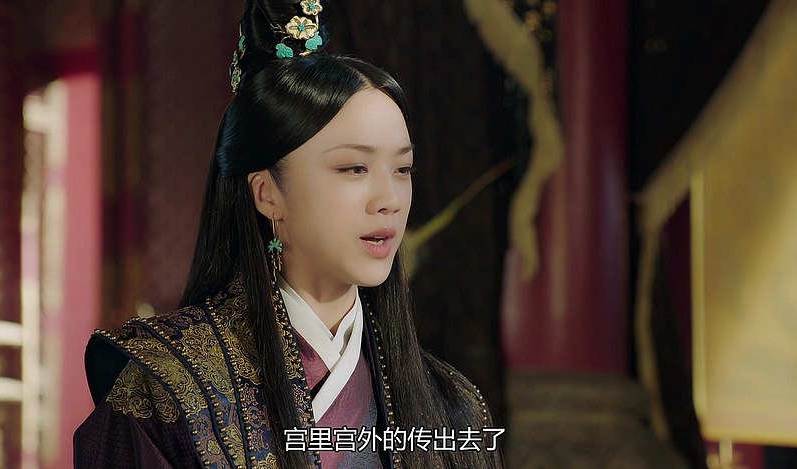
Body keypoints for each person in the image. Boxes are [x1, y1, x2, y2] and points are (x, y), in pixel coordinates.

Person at [73, 1, 503, 467]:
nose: (390, 200)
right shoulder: (167, 387)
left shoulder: (452, 408)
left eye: (402, 169)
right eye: (354, 168)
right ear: (267, 193)